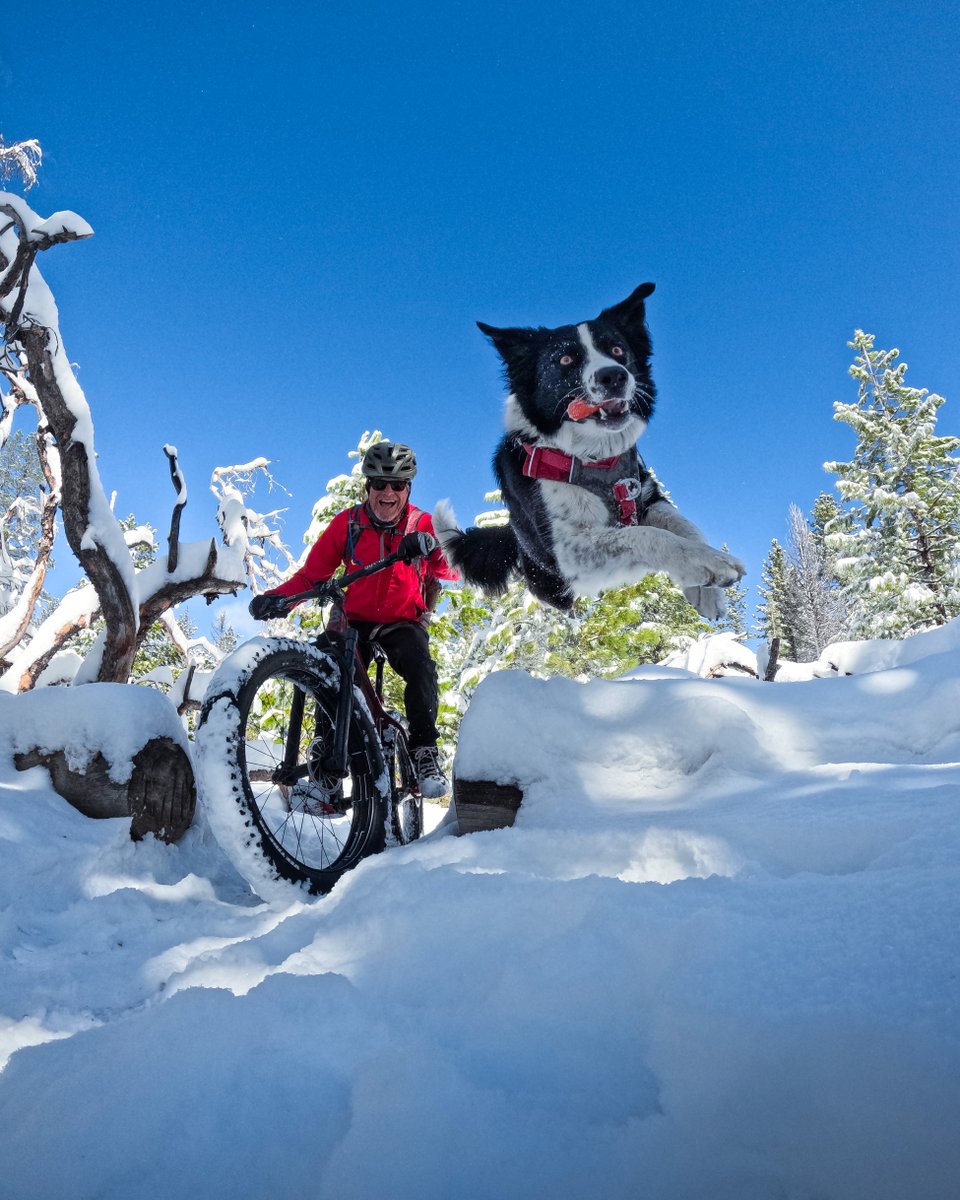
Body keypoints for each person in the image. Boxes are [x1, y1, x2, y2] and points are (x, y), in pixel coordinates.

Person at [248, 441, 458, 798]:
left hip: (402, 621)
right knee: (329, 663)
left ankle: (424, 751)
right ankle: (326, 754)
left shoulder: (421, 523)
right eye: (379, 484)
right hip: (354, 619)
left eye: (397, 485)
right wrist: (278, 599)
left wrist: (433, 545)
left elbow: (452, 569)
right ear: (367, 487)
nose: (387, 492)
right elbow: (312, 577)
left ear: (408, 488)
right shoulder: (348, 524)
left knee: (419, 664)